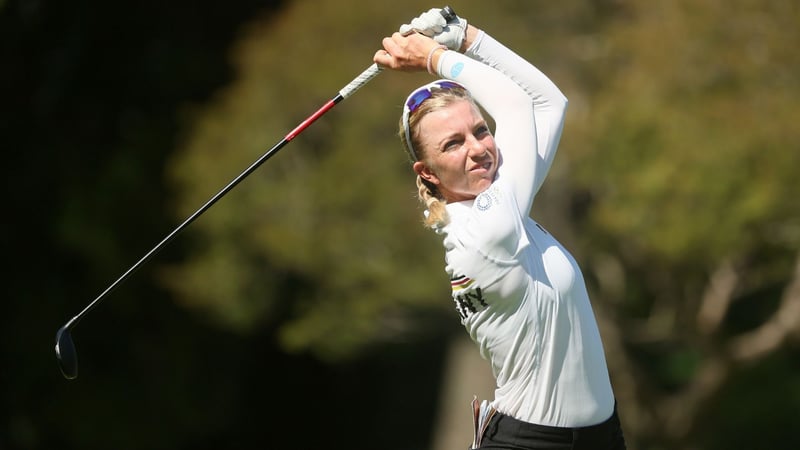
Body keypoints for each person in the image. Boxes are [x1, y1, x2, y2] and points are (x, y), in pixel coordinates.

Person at [373, 7, 627, 450]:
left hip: (601, 438)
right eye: (453, 144)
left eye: (479, 131)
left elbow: (549, 103)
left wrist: (465, 35)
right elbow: (515, 104)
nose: (478, 149)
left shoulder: (503, 201)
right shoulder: (484, 232)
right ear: (427, 173)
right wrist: (434, 55)